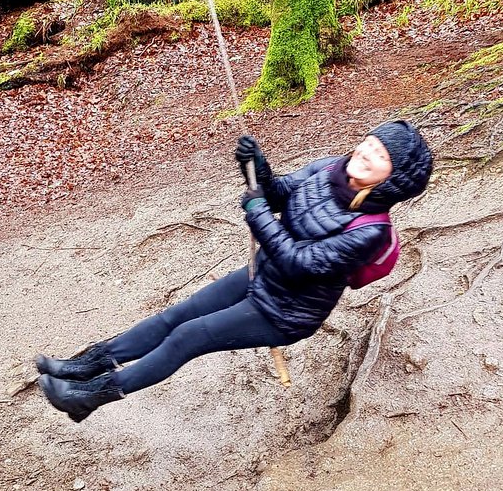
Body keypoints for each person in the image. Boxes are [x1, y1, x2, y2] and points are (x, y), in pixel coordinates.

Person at [36, 120, 433, 422]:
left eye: (380, 155)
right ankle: (85, 366)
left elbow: (299, 265)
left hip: (285, 311)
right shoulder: (331, 168)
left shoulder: (372, 231)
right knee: (175, 316)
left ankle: (87, 398)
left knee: (188, 336)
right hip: (259, 275)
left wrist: (258, 213)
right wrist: (258, 168)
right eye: (369, 142)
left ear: (394, 176)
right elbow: (280, 192)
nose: (365, 153)